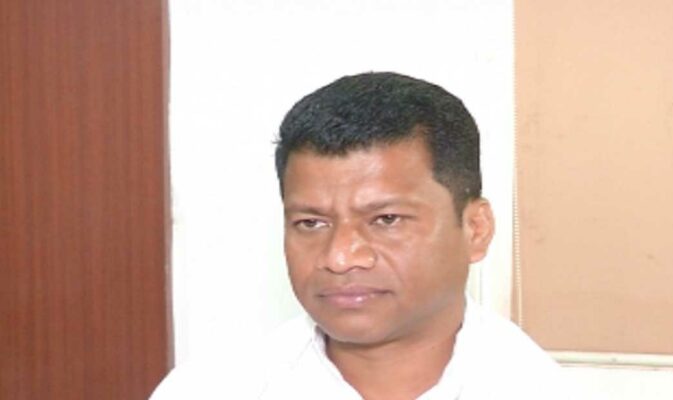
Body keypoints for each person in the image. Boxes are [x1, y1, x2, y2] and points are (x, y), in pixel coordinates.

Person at [151, 72, 563, 399]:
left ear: (476, 229)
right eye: (311, 223)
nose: (339, 257)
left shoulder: (534, 389)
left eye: (386, 219)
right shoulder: (210, 390)